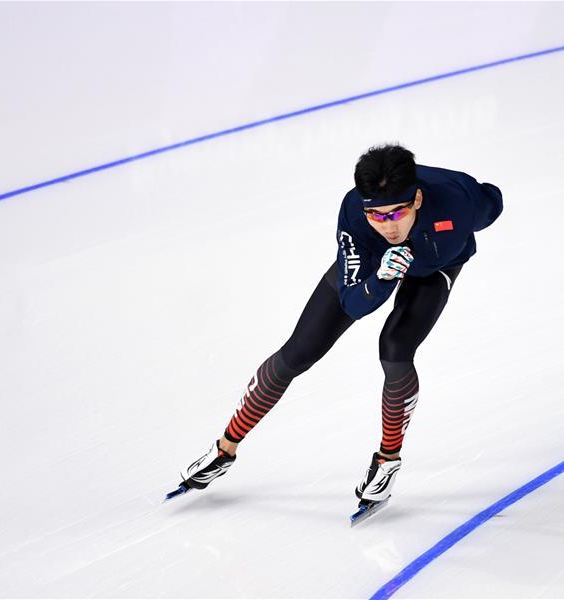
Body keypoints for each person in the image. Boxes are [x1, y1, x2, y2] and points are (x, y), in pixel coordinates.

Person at [176, 143, 503, 505]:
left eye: (397, 213)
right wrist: (380, 278)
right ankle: (224, 449)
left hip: (434, 264)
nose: (389, 225)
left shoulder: (458, 204)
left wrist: (407, 263)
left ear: (418, 201)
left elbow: (494, 201)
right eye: (377, 216)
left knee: (395, 347)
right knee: (298, 352)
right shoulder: (353, 211)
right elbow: (353, 303)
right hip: (373, 263)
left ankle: (387, 461)